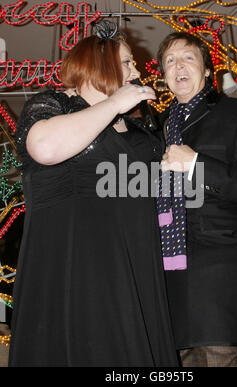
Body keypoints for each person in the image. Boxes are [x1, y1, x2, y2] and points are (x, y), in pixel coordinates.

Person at [8, 21, 178, 367]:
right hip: (75, 268)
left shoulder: (139, 129)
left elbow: (167, 192)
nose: (136, 70)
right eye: (128, 62)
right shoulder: (54, 103)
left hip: (134, 271)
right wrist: (114, 103)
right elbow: (44, 147)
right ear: (101, 63)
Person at [156, 31, 237, 367]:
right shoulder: (156, 128)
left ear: (208, 70)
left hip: (215, 281)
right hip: (164, 284)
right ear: (164, 76)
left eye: (187, 57)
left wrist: (196, 164)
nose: (178, 65)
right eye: (169, 61)